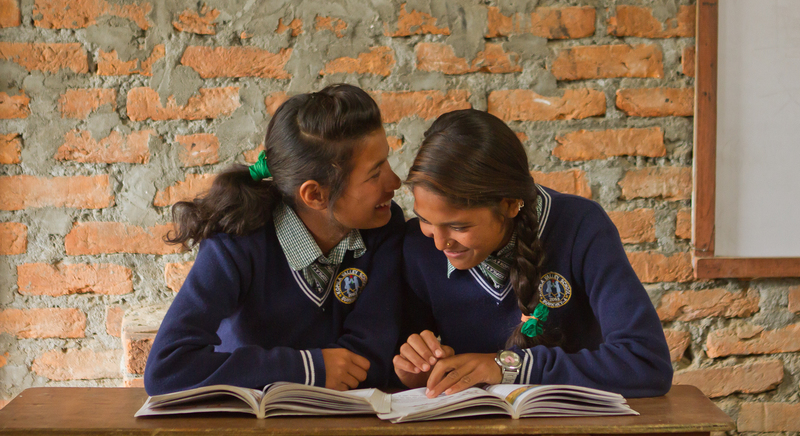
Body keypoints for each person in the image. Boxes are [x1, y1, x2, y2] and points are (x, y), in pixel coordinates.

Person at [394, 109, 673, 398]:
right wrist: (412, 370)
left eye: (458, 226)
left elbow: (645, 363)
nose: (439, 243)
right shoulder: (418, 246)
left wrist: (509, 367)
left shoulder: (581, 226)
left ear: (511, 205)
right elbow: (404, 366)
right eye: (426, 220)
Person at [144, 84, 404, 394]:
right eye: (375, 174)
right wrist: (307, 369)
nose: (395, 182)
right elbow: (166, 369)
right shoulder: (236, 243)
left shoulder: (384, 227)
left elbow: (370, 359)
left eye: (386, 161)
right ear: (315, 195)